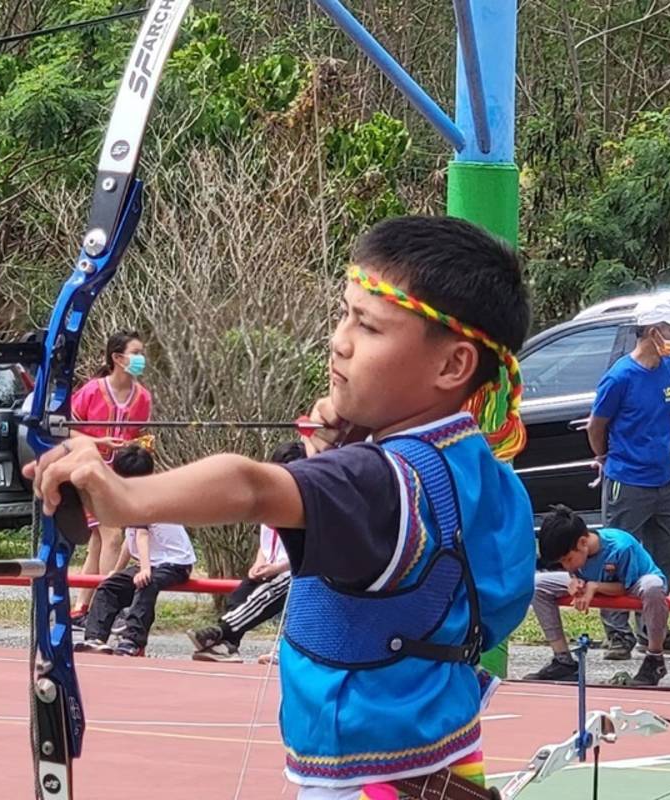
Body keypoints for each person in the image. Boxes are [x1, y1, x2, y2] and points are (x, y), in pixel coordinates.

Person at [27, 215, 535, 799]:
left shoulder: (378, 480)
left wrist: (123, 496)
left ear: (453, 366)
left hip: (367, 782)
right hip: (447, 758)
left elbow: (251, 487)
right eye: (345, 314)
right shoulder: (487, 473)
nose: (340, 340)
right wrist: (349, 446)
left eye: (369, 327)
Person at [587, 298, 670, 658]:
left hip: (663, 478)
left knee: (662, 555)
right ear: (651, 332)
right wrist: (603, 457)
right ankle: (617, 634)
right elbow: (596, 425)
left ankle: (653, 629)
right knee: (617, 554)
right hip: (627, 479)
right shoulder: (619, 377)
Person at [187, 441, 305, 663]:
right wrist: (258, 564)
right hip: (271, 566)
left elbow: (306, 551)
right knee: (239, 596)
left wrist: (278, 567)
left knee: (269, 594)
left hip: (292, 570)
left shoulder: (305, 503)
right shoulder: (270, 500)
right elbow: (266, 541)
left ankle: (221, 633)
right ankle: (228, 646)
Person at [73, 443, 195, 657]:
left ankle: (133, 640)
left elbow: (142, 535)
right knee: (108, 586)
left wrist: (145, 569)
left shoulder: (146, 495)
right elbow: (131, 539)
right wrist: (118, 570)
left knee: (147, 584)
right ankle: (95, 638)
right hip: (150, 561)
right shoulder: (129, 494)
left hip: (176, 562)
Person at [525, 505, 668, 686]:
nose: (567, 566)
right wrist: (574, 581)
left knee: (653, 587)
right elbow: (575, 572)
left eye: (568, 560)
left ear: (583, 543)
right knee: (538, 585)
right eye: (561, 563)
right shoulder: (577, 556)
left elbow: (624, 588)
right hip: (595, 582)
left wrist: (594, 587)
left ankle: (655, 660)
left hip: (633, 583)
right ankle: (563, 660)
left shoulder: (621, 547)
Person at [68, 331, 153, 626]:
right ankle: (104, 609)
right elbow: (67, 429)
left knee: (98, 542)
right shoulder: (92, 390)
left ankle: (82, 605)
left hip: (122, 477)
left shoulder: (143, 397)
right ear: (118, 358)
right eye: (136, 352)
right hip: (91, 472)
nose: (141, 358)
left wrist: (141, 447)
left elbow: (141, 435)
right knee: (113, 537)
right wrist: (98, 441)